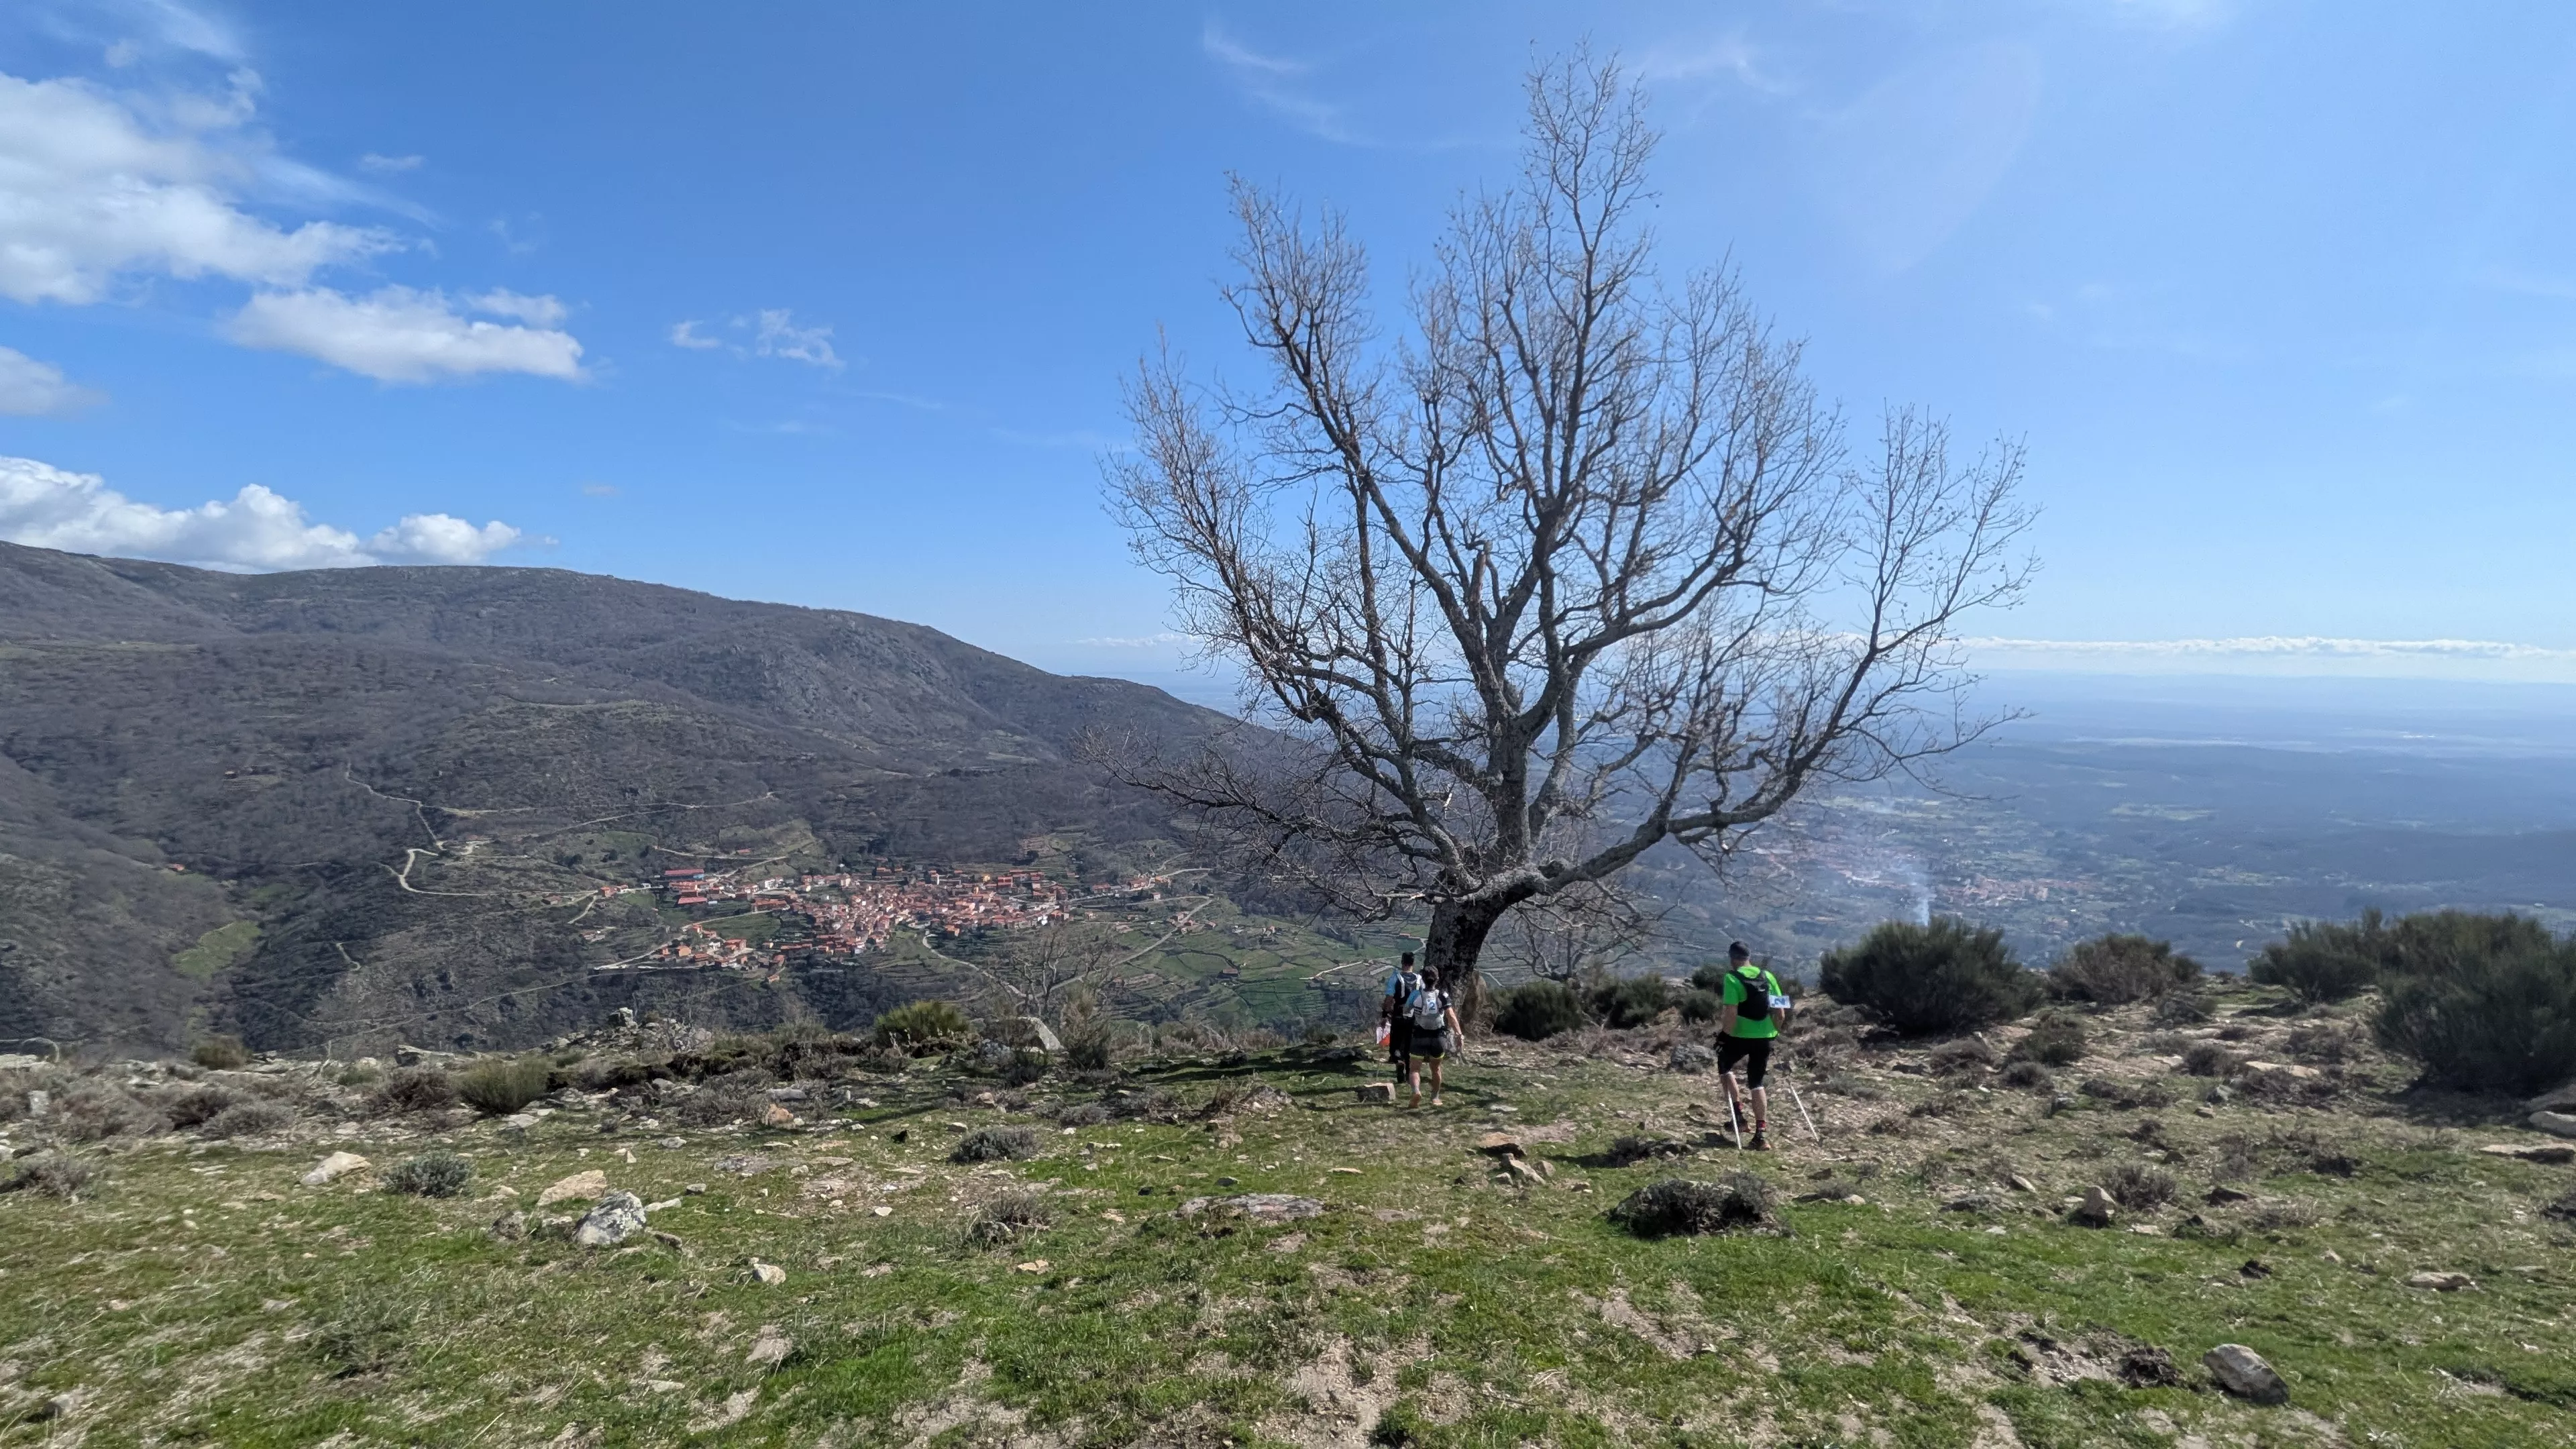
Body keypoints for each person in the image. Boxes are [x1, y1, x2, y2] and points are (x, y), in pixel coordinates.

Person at [1715, 941, 1792, 1150]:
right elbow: (1781, 1012)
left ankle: (1738, 1117)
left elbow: (1731, 1013)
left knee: (1725, 1066)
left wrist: (1725, 1035)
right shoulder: (1768, 976)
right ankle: (1761, 1134)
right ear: (1749, 957)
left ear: (1732, 959)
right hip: (1765, 1036)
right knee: (1757, 1082)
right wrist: (1774, 1032)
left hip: (1740, 1036)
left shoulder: (1732, 978)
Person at [1401, 967, 1464, 1108]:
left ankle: (1416, 1091)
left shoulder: (1415, 995)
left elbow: (1406, 1010)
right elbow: (1451, 1016)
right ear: (1437, 979)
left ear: (1422, 980)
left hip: (1419, 1036)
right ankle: (1435, 1097)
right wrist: (1459, 1034)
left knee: (1415, 1069)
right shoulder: (1442, 995)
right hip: (1438, 1037)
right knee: (1435, 1068)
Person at [1381, 951, 1424, 1082]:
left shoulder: (1396, 978)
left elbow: (1389, 998)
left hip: (1399, 1015)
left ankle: (1399, 1061)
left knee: (1396, 1044)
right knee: (1409, 1045)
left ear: (1402, 962)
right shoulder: (1419, 979)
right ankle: (1409, 1073)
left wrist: (1385, 1015)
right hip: (1414, 1016)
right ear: (1413, 963)